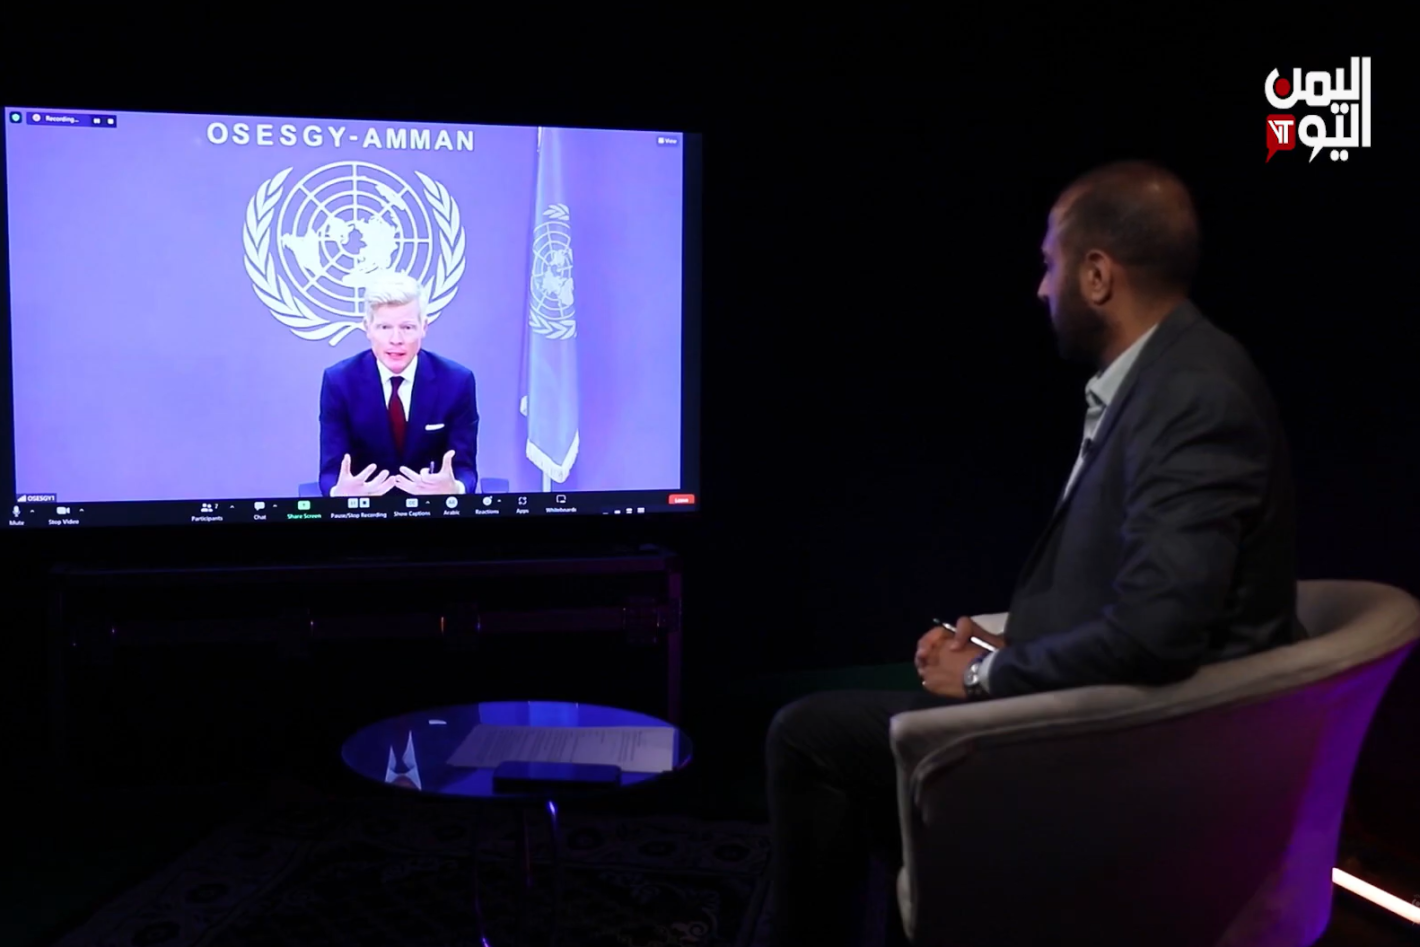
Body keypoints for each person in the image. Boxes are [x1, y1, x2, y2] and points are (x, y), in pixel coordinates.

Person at [763, 160, 1307, 947]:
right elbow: (1147, 592)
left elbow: (1158, 633)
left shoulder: (1193, 395)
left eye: (1051, 264)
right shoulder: (1166, 376)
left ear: (1097, 274)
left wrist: (983, 677)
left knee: (807, 737)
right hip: (1108, 724)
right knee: (863, 755)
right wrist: (1010, 642)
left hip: (1134, 771)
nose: (1041, 288)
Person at [318, 272, 478, 497]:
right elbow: (330, 471)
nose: (396, 339)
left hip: (432, 512)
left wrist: (455, 489)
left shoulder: (456, 382)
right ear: (367, 328)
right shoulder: (339, 382)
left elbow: (465, 469)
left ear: (424, 327)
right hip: (364, 512)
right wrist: (339, 493)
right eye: (384, 327)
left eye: (407, 327)